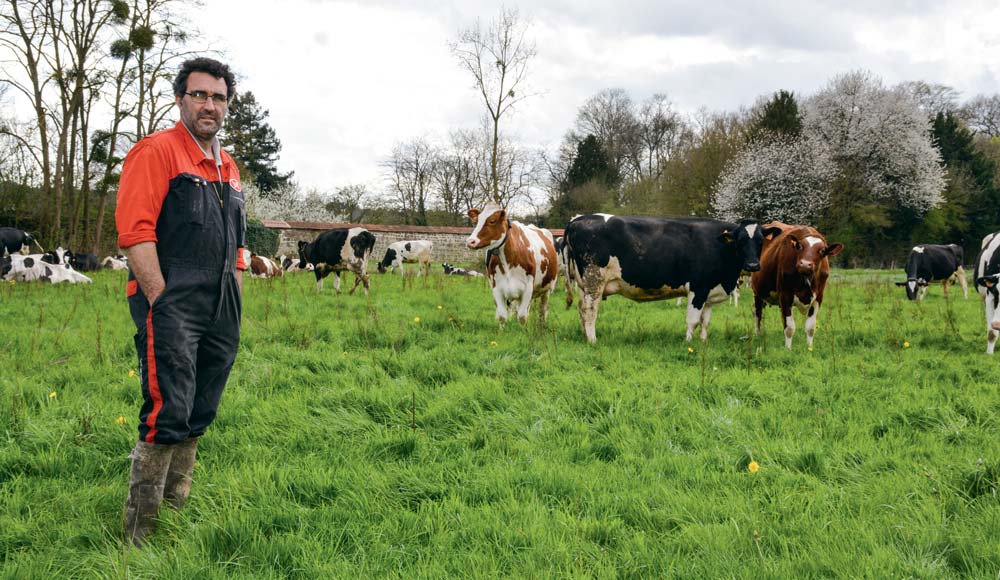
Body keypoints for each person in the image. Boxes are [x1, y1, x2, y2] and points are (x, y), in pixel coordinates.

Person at [115, 57, 247, 547]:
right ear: (180, 99)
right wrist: (159, 298)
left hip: (221, 305)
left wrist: (233, 287)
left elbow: (236, 240)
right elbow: (134, 233)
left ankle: (174, 512)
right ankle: (140, 534)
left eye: (218, 97)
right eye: (199, 95)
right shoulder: (157, 152)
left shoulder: (227, 167)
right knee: (167, 407)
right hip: (173, 300)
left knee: (200, 407)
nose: (209, 105)